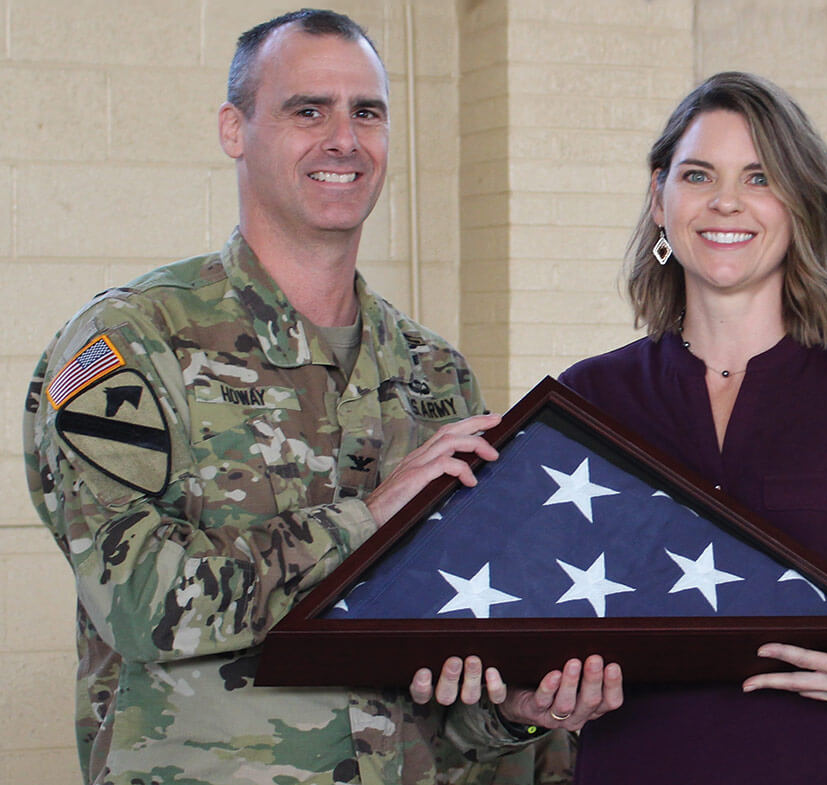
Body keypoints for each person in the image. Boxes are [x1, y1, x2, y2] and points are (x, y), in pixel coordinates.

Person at [23, 9, 620, 785]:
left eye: (366, 112)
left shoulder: (434, 372)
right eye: (309, 109)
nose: (344, 137)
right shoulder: (132, 343)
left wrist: (512, 712)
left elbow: (440, 676)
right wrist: (366, 519)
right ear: (234, 129)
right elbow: (138, 602)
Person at [558, 71, 827, 784]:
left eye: (759, 176)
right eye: (698, 174)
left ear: (799, 203)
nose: (725, 201)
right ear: (659, 197)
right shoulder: (588, 400)